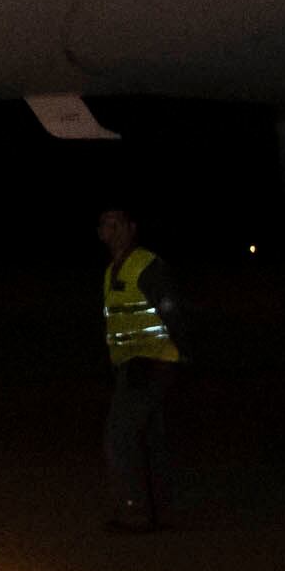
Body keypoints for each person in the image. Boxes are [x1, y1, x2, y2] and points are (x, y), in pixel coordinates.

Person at [98, 208, 177, 531]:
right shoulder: (111, 271)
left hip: (150, 364)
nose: (111, 230)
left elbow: (172, 309)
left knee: (119, 437)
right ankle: (159, 510)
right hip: (131, 365)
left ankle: (135, 512)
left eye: (117, 224)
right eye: (105, 225)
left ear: (132, 228)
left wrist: (171, 357)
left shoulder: (145, 264)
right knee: (151, 439)